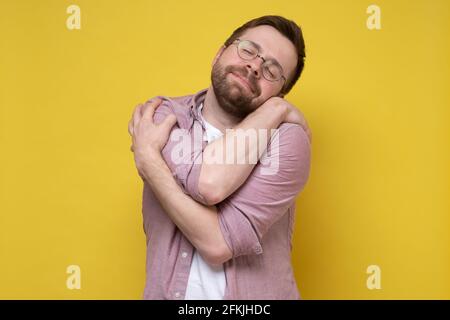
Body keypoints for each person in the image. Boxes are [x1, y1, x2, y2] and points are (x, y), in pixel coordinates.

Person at [128, 15, 311, 300]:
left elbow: (217, 239)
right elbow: (209, 182)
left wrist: (148, 162)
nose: (254, 66)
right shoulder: (165, 117)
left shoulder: (288, 141)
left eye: (272, 70)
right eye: (249, 49)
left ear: (280, 95)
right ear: (218, 54)